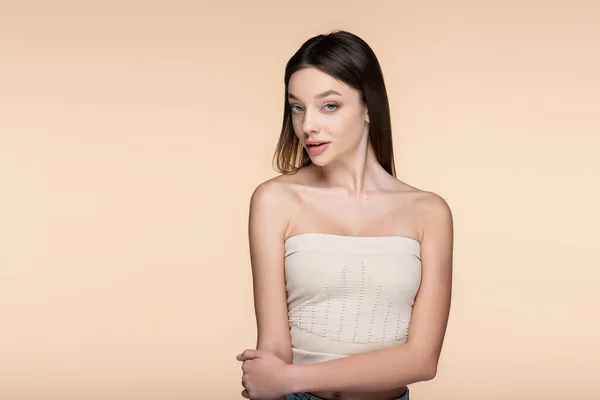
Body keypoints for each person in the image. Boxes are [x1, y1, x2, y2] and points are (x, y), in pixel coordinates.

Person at [235, 30, 453, 400]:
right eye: (297, 107)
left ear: (369, 106)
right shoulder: (275, 200)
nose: (308, 126)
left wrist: (290, 380)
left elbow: (422, 360)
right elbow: (274, 346)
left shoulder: (428, 212)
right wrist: (278, 384)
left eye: (329, 106)